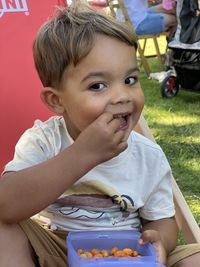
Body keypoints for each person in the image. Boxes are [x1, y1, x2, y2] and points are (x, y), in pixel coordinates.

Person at [0, 2, 200, 267]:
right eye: (98, 85)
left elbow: (161, 219)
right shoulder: (44, 141)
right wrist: (82, 155)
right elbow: (7, 204)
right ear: (56, 101)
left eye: (130, 80)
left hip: (126, 252)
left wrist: (160, 240)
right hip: (55, 249)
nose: (122, 96)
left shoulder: (147, 155)